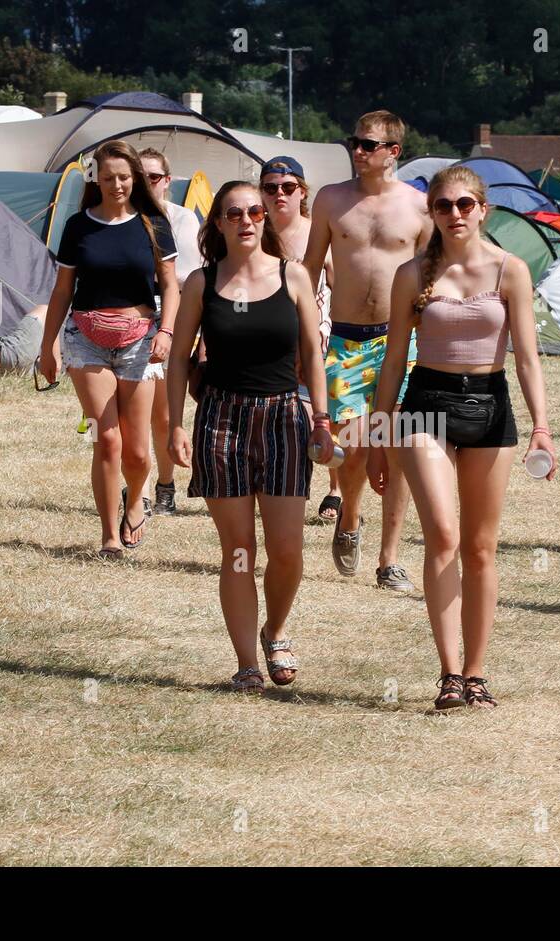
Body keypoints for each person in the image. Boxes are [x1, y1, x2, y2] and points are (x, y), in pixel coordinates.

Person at [367, 166, 555, 710]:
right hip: (425, 405)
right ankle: (449, 673)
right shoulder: (412, 276)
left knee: (480, 547)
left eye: (465, 204)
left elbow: (526, 358)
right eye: (444, 205)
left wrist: (541, 427)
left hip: (491, 408)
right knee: (444, 536)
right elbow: (394, 360)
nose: (455, 214)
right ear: (432, 211)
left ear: (483, 209)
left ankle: (476, 673)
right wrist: (380, 436)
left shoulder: (511, 270)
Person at [165, 181, 333, 693]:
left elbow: (313, 356)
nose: (246, 221)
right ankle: (245, 663)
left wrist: (322, 422)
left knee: (287, 551)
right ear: (217, 222)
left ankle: (275, 631)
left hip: (284, 418)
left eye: (255, 211)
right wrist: (174, 424)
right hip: (221, 420)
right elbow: (177, 360)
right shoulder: (201, 282)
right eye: (233, 213)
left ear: (267, 218)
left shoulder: (295, 276)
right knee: (238, 549)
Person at [303, 110, 432, 592]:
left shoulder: (419, 208)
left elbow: (430, 280)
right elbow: (309, 269)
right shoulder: (332, 200)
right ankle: (350, 518)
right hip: (346, 339)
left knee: (398, 447)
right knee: (354, 449)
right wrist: (304, 331)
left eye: (368, 144)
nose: (357, 150)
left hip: (401, 339)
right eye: (354, 142)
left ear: (393, 152)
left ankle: (389, 559)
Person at [38, 140, 178, 558]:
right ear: (94, 178)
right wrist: (48, 347)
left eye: (124, 176)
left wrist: (166, 331)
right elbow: (63, 290)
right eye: (108, 176)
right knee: (107, 439)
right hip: (86, 341)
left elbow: (170, 285)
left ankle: (135, 499)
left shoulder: (153, 223)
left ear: (134, 178)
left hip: (140, 340)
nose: (116, 184)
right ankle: (108, 536)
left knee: (137, 452)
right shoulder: (78, 226)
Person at [259, 155, 342, 523]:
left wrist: (335, 332)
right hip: (267, 338)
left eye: (288, 188)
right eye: (271, 188)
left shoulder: (316, 231)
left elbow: (338, 284)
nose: (279, 195)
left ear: (301, 192)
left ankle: (336, 489)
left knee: (318, 417)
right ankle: (280, 486)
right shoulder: (255, 232)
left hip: (316, 337)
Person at [140, 148, 202, 517]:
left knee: (163, 412)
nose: (148, 184)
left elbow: (186, 277)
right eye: (141, 176)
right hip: (128, 315)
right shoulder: (124, 217)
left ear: (168, 181)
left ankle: (165, 485)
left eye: (154, 177)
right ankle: (139, 491)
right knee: (129, 413)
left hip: (170, 315)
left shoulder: (182, 220)